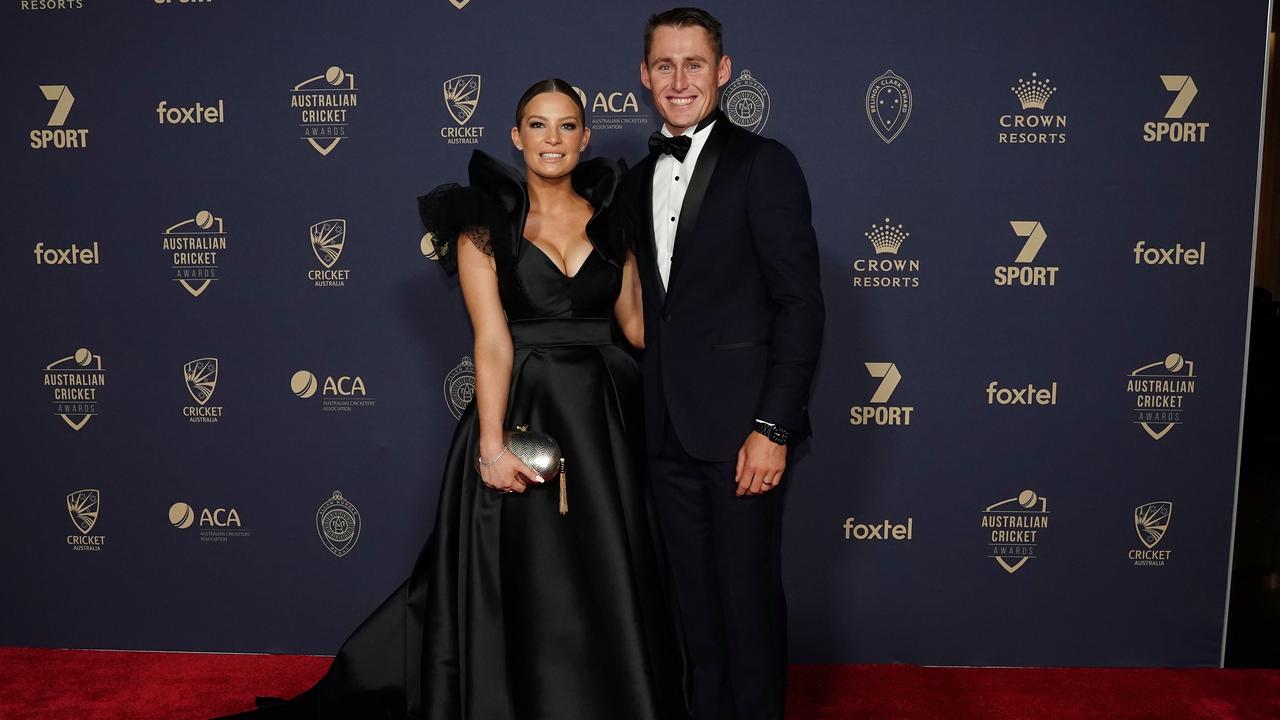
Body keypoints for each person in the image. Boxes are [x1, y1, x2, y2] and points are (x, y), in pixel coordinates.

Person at [216, 79, 690, 720]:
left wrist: (679, 277)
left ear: (586, 136)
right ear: (515, 137)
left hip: (605, 413)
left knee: (606, 563)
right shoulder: (482, 225)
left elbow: (634, 327)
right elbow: (492, 341)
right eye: (539, 125)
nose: (553, 139)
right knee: (528, 571)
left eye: (568, 126)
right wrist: (492, 446)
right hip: (524, 406)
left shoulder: (617, 217)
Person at [620, 8, 825, 720]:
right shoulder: (637, 176)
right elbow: (646, 310)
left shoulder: (765, 165)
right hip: (666, 432)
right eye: (666, 66)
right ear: (645, 77)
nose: (681, 81)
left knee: (747, 603)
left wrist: (773, 425)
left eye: (695, 64)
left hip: (744, 432)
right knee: (694, 614)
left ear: (724, 71)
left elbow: (800, 304)